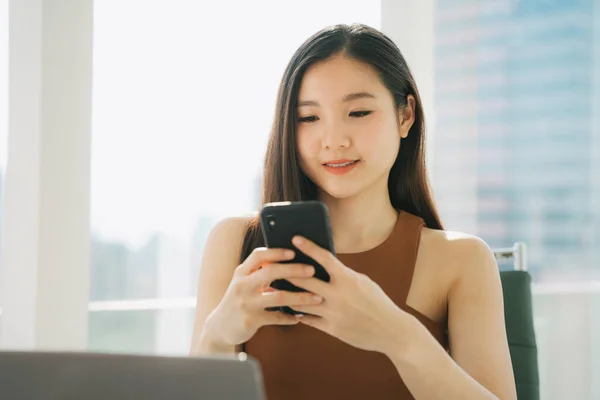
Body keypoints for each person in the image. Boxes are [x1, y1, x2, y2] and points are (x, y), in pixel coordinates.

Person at [190, 23, 517, 400]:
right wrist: (218, 336)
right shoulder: (237, 243)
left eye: (358, 112)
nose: (334, 140)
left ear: (405, 115)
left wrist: (399, 335)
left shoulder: (462, 260)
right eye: (309, 118)